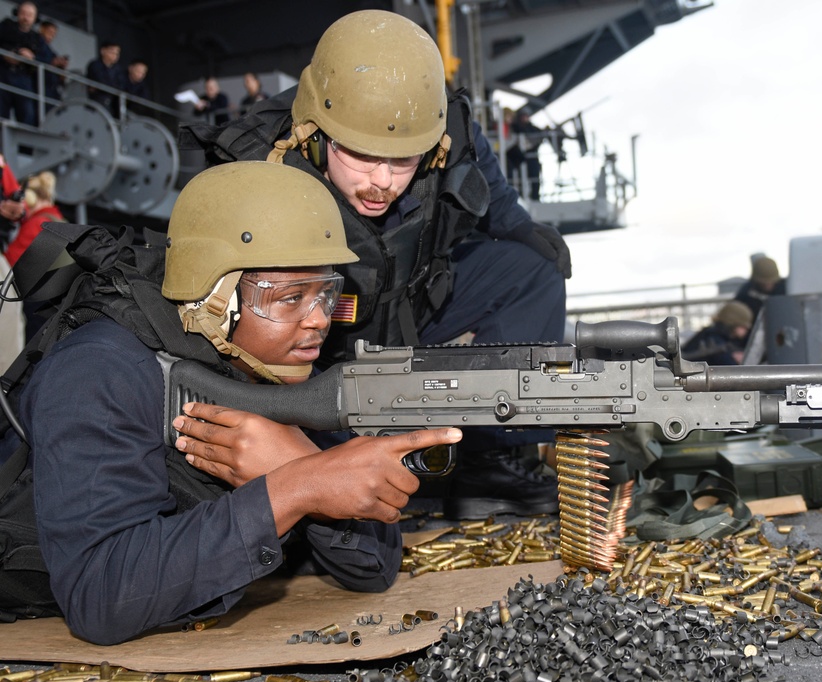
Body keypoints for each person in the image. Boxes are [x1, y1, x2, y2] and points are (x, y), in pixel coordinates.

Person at [4, 160, 461, 643]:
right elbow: (100, 595)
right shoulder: (98, 372)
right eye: (289, 298)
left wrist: (303, 466)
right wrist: (292, 489)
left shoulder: (272, 364)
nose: (318, 321)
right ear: (216, 297)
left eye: (327, 294)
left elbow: (374, 566)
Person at [181, 10, 571, 521]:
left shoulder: (439, 125)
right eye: (362, 156)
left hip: (414, 305)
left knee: (530, 270)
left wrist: (518, 224)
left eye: (404, 160)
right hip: (318, 348)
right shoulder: (258, 169)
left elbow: (481, 167)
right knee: (352, 494)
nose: (382, 181)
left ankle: (489, 454)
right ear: (316, 133)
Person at [3, 170, 64, 340]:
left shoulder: (36, 223)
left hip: (34, 299)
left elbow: (10, 261)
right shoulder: (56, 219)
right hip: (52, 297)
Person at [0, 1, 43, 126]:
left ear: (35, 18)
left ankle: (25, 145)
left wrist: (31, 57)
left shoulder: (36, 38)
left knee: (27, 115)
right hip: (3, 74)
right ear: (17, 13)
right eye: (23, 13)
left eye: (30, 15)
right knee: (1, 114)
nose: (26, 17)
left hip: (23, 77)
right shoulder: (6, 27)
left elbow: (44, 59)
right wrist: (6, 54)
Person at [681, 300, 754, 366]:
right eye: (743, 326)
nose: (746, 330)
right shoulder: (714, 340)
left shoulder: (711, 334)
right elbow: (731, 369)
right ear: (734, 324)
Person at [506, 107, 545, 201]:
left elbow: (540, 138)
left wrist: (531, 144)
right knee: (520, 178)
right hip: (521, 158)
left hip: (532, 158)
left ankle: (535, 197)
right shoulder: (516, 127)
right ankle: (522, 196)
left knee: (535, 178)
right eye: (523, 116)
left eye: (526, 116)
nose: (524, 118)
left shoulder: (534, 129)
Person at [734, 255, 787, 322]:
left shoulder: (786, 288)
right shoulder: (746, 293)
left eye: (770, 282)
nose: (767, 285)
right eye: (763, 282)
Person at [85, 40, 125, 117]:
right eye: (112, 52)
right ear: (103, 51)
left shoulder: (118, 70)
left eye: (117, 53)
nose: (115, 55)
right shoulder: (94, 65)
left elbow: (121, 86)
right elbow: (100, 82)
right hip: (96, 102)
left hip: (112, 105)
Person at [35, 19, 67, 105]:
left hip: (50, 89)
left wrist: (62, 69)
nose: (51, 36)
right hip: (38, 86)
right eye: (50, 32)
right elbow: (33, 59)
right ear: (42, 29)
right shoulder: (34, 42)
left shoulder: (51, 51)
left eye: (53, 34)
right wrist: (52, 62)